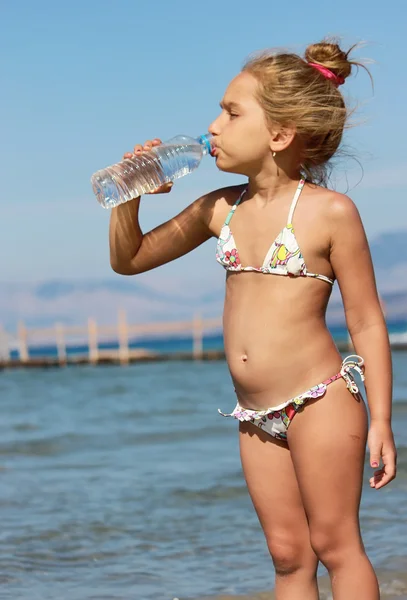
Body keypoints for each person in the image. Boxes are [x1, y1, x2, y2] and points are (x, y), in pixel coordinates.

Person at [109, 38, 397, 600]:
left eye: (231, 112)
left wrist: (382, 419)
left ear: (280, 135)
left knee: (336, 546)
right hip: (255, 412)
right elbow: (130, 259)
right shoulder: (221, 208)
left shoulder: (328, 213)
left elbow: (366, 322)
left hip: (321, 399)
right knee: (288, 557)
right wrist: (129, 195)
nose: (213, 126)